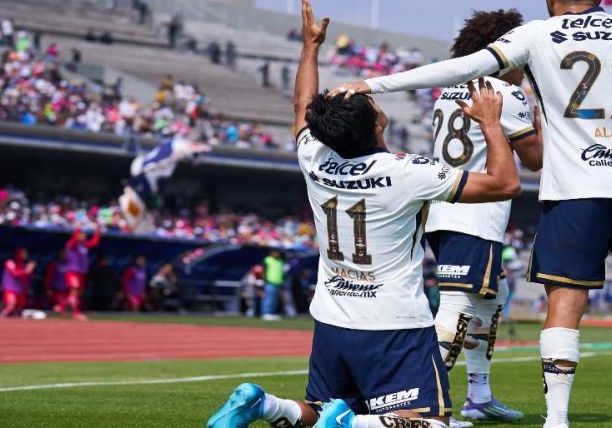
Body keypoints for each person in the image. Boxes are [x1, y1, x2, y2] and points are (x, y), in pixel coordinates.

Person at [333, 1, 612, 425]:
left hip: (572, 190)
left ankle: (554, 418)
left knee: (562, 304)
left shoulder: (537, 34)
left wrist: (373, 84)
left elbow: (462, 68)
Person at [206, 2, 522, 427]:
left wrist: (310, 49)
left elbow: (301, 107)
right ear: (376, 124)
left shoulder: (315, 159)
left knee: (321, 408)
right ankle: (351, 424)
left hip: (332, 317)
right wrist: (491, 124)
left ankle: (264, 405)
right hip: (393, 324)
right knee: (433, 423)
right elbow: (505, 184)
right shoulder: (407, 172)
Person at [425, 9, 541, 426]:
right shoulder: (503, 92)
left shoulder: (449, 90)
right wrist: (543, 115)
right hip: (474, 214)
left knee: (494, 296)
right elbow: (535, 159)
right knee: (457, 307)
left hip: (443, 208)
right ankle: (423, 405)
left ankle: (479, 395)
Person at [56, 226, 101, 320]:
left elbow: (94, 242)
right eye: (81, 235)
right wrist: (77, 228)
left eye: (84, 235)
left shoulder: (84, 245)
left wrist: (98, 230)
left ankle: (61, 307)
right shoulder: (72, 244)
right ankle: (76, 313)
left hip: (81, 272)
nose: (83, 236)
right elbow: (74, 239)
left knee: (77, 293)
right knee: (74, 291)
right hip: (72, 271)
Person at [0, 248, 35, 318]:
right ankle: (0, 317)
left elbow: (26, 278)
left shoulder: (23, 265)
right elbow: (15, 273)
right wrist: (27, 270)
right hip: (9, 287)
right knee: (11, 304)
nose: (25, 255)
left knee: (19, 308)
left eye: (26, 253)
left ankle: (15, 322)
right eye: (23, 253)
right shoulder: (10, 262)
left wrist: (30, 270)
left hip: (20, 289)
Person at [262, 250, 286, 321]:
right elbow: (264, 270)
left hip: (278, 283)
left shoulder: (280, 261)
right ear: (271, 253)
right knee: (269, 299)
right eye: (275, 253)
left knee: (275, 300)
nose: (277, 254)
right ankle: (266, 313)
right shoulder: (267, 260)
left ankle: (272, 313)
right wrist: (265, 280)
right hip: (270, 282)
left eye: (278, 253)